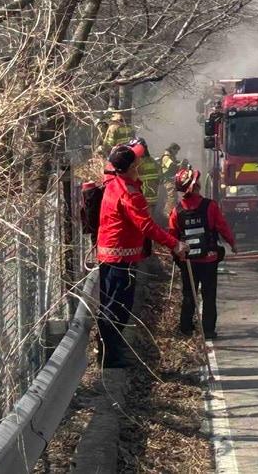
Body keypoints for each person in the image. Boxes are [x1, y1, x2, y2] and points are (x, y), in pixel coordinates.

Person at [97, 140, 187, 367]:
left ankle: (109, 351)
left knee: (110, 305)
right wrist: (174, 244)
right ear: (128, 167)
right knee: (119, 308)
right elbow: (146, 226)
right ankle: (111, 357)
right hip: (121, 259)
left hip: (109, 255)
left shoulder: (112, 181)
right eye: (136, 160)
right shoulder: (130, 195)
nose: (140, 162)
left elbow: (111, 164)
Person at [168, 167, 237, 340]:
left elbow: (172, 237)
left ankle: (185, 328)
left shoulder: (177, 211)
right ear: (195, 186)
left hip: (188, 262)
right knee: (209, 295)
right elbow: (222, 227)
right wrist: (232, 244)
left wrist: (177, 256)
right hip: (209, 260)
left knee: (189, 294)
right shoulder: (210, 206)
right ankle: (208, 330)